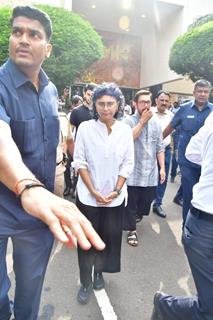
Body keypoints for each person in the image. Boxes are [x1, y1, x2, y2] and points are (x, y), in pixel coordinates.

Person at [0, 6, 104, 320]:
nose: (23, 39)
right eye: (17, 32)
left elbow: (53, 142)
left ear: (48, 48)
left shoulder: (51, 91)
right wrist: (27, 185)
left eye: (34, 34)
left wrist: (60, 176)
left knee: (31, 295)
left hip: (39, 217)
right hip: (6, 206)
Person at [73, 82, 134, 304]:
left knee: (108, 239)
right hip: (88, 197)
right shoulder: (86, 129)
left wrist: (116, 190)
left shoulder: (125, 130)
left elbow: (128, 164)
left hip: (115, 199)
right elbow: (79, 162)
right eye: (101, 103)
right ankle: (85, 281)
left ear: (118, 104)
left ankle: (99, 272)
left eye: (110, 103)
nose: (106, 108)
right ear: (94, 104)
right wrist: (93, 191)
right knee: (86, 240)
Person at [151, 111, 213, 320]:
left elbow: (194, 153)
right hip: (206, 225)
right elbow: (188, 152)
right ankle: (165, 306)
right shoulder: (194, 113)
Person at [163, 79, 213, 224]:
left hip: (207, 163)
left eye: (205, 91)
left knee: (204, 195)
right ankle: (187, 227)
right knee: (189, 194)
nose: (202, 94)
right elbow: (170, 127)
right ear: (194, 93)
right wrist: (157, 144)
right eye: (200, 91)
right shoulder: (184, 109)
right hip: (187, 162)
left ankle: (200, 227)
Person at [123, 90, 165, 247]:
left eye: (148, 102)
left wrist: (162, 168)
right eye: (142, 102)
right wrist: (142, 122)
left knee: (145, 203)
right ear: (135, 104)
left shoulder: (156, 124)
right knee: (131, 205)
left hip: (151, 174)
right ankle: (131, 230)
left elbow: (160, 147)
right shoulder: (127, 122)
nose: (146, 105)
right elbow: (128, 140)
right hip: (132, 173)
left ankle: (134, 216)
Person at [152, 90, 174, 218]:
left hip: (165, 151)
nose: (164, 103)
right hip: (149, 151)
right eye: (162, 100)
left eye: (166, 101)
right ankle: (140, 205)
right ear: (156, 101)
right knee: (147, 176)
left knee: (162, 178)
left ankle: (157, 204)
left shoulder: (172, 116)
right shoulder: (148, 113)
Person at [54, 101, 74, 198]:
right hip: (33, 171)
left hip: (57, 170)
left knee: (57, 204)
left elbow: (69, 141)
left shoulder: (63, 119)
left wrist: (77, 161)